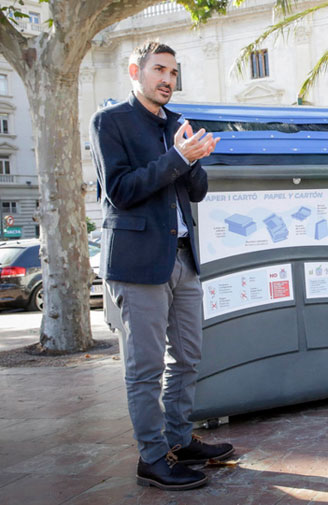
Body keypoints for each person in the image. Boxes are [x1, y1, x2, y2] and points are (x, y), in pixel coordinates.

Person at [90, 41, 232, 491]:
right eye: (159, 69)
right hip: (137, 264)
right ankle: (152, 457)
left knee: (187, 356)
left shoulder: (178, 123)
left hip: (184, 258)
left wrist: (191, 160)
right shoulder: (109, 122)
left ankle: (177, 438)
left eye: (173, 72)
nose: (168, 79)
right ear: (136, 71)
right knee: (146, 367)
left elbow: (199, 190)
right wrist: (178, 158)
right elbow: (120, 191)